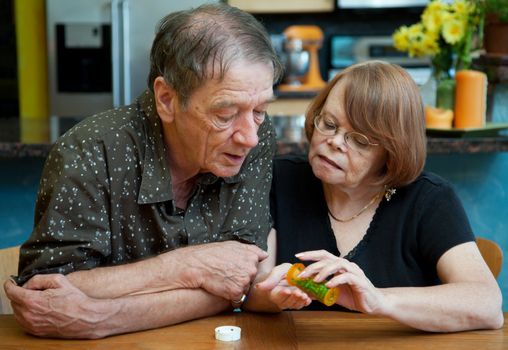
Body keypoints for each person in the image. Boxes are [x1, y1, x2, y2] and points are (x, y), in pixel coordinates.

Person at [4, 3, 284, 339]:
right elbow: (47, 296)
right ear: (166, 99)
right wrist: (189, 266)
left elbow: (242, 279)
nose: (249, 136)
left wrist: (105, 316)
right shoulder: (91, 151)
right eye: (224, 115)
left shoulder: (254, 134)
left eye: (261, 110)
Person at [243, 61, 504, 332]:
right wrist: (272, 297)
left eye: (359, 140)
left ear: (392, 151)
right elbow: (252, 291)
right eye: (329, 124)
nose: (334, 142)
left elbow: (487, 305)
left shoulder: (429, 200)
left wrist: (379, 300)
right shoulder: (278, 180)